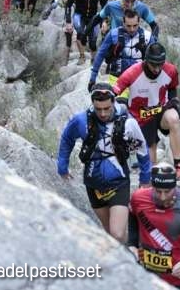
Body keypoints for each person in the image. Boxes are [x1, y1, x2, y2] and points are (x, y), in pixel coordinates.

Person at [57, 83, 151, 242]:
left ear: (113, 102)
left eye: (106, 108)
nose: (102, 113)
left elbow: (142, 149)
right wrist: (62, 166)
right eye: (98, 109)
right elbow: (67, 139)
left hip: (119, 181)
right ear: (93, 104)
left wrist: (145, 179)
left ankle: (132, 256)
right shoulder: (81, 121)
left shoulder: (128, 123)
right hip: (93, 183)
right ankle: (130, 255)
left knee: (117, 233)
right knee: (110, 236)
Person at [112, 42, 180, 180]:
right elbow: (115, 92)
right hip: (141, 118)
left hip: (160, 111)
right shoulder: (132, 73)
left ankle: (178, 167)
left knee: (174, 119)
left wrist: (174, 101)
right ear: (146, 60)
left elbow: (172, 87)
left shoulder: (171, 70)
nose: (157, 68)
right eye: (153, 64)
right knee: (150, 165)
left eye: (160, 64)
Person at [87, 9, 155, 95]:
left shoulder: (148, 36)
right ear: (123, 23)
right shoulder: (113, 34)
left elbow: (156, 60)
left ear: (139, 23)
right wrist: (93, 77)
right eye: (128, 26)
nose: (132, 29)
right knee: (121, 105)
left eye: (135, 25)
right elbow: (101, 54)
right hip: (117, 78)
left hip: (140, 79)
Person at [84, 0, 159, 40]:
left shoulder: (142, 8)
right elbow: (97, 19)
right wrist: (85, 34)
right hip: (115, 40)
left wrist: (153, 41)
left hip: (134, 41)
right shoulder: (111, 5)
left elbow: (154, 25)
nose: (129, 3)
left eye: (133, 0)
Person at [65, 0, 108, 65]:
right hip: (79, 15)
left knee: (93, 40)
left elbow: (105, 6)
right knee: (80, 34)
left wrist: (104, 21)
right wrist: (68, 21)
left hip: (93, 16)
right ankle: (82, 56)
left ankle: (93, 59)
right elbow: (68, 5)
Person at [42, 0, 73, 65]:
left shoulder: (72, 7)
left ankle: (65, 61)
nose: (66, 0)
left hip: (65, 28)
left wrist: (69, 27)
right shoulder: (54, 6)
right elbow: (48, 19)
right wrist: (57, 28)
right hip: (54, 28)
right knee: (52, 45)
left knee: (68, 38)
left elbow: (71, 20)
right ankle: (49, 61)